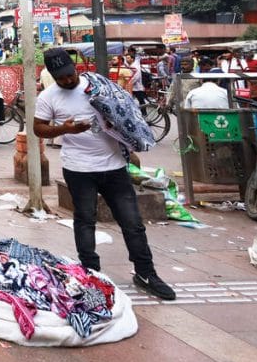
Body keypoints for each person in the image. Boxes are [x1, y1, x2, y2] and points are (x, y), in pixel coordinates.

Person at [34, 48, 176, 301]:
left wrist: (128, 141)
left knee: (132, 222)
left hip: (113, 166)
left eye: (69, 75)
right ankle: (91, 274)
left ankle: (146, 273)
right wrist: (64, 129)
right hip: (78, 169)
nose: (66, 81)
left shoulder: (99, 86)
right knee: (85, 221)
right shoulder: (48, 97)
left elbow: (126, 110)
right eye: (60, 78)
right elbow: (39, 129)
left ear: (75, 67)